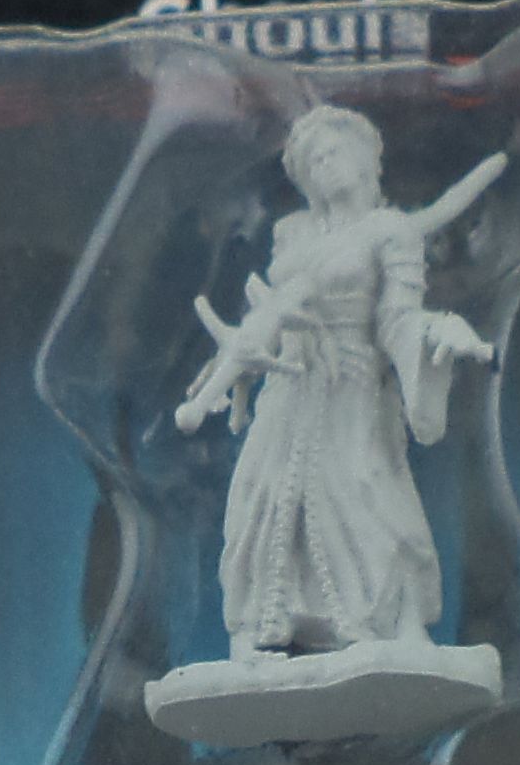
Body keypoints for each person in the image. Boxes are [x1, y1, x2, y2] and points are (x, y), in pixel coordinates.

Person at [206, 106, 495, 659]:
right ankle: (258, 627)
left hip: (353, 382)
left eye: (333, 152)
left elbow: (398, 317)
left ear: (365, 159)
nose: (324, 165)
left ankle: (401, 621)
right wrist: (246, 357)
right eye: (312, 161)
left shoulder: (392, 231)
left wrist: (434, 333)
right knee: (263, 495)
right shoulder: (291, 232)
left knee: (367, 488)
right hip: (290, 383)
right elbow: (267, 311)